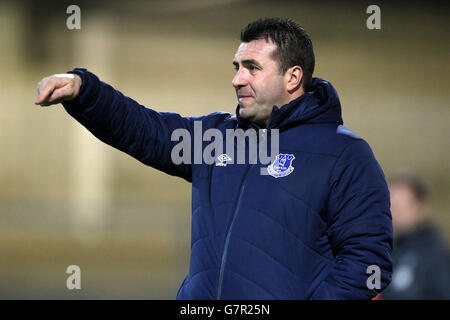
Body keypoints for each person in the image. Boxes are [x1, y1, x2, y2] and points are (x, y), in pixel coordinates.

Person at [34, 18, 393, 299]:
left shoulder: (344, 153)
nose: (237, 79)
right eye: (236, 66)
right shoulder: (216, 138)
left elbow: (367, 260)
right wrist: (84, 91)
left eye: (252, 67)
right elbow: (146, 130)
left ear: (293, 77)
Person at [382, 171, 450, 299]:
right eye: (388, 207)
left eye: (398, 207)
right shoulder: (388, 251)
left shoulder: (437, 256)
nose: (391, 214)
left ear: (420, 206)